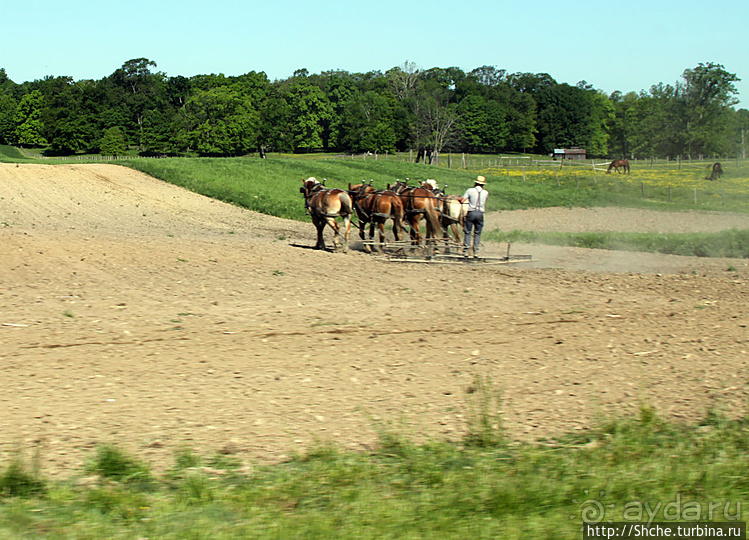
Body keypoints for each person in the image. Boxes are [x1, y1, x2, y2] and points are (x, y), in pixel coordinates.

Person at [462, 175, 488, 257]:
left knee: (468, 232)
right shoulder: (486, 192)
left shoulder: (470, 190)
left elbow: (463, 200)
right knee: (477, 233)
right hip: (480, 213)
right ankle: (476, 251)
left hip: (471, 212)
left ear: (475, 183)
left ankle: (466, 250)